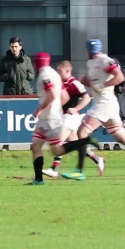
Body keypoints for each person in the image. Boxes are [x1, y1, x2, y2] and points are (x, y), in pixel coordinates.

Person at [61, 39, 125, 181]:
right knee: (123, 138)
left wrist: (103, 85)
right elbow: (91, 81)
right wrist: (87, 82)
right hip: (108, 106)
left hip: (104, 104)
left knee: (82, 132)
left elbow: (119, 77)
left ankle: (80, 170)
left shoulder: (105, 61)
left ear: (89, 50)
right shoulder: (92, 63)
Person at [28, 53, 100, 186]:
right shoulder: (54, 74)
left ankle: (86, 140)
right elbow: (65, 96)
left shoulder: (45, 76)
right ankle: (38, 179)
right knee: (35, 145)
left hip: (49, 119)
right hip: (49, 116)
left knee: (57, 150)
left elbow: (53, 94)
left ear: (38, 63)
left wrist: (41, 109)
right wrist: (56, 108)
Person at [43, 61, 104, 178]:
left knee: (58, 142)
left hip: (70, 117)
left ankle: (53, 169)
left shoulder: (74, 83)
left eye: (60, 71)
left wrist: (76, 108)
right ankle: (98, 159)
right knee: (77, 144)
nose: (58, 73)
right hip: (63, 117)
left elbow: (87, 98)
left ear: (67, 71)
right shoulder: (60, 82)